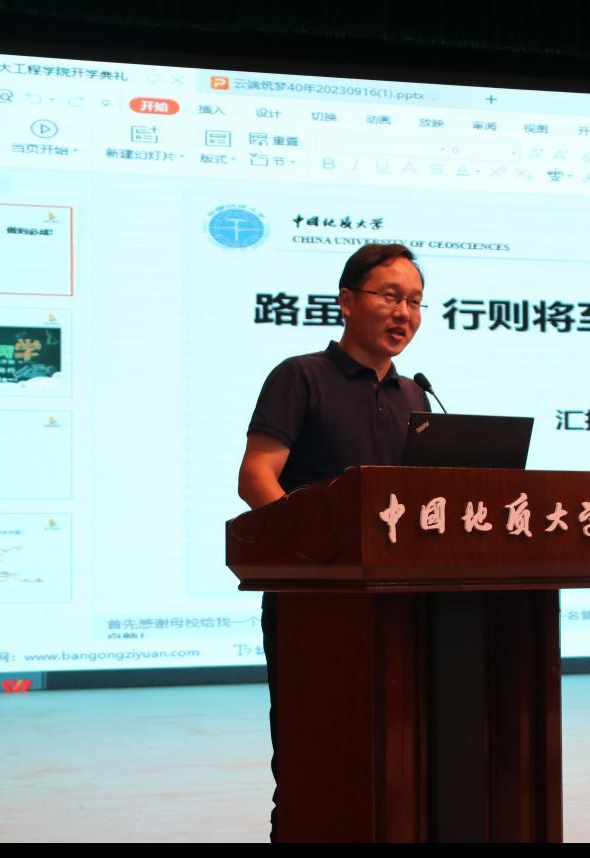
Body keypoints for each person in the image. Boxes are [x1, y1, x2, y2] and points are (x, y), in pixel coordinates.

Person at [237, 243, 429, 840]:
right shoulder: (300, 376)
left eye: (415, 302)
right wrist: (317, 552)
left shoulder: (414, 395)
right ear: (347, 302)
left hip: (402, 604)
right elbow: (256, 477)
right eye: (390, 296)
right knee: (313, 759)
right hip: (315, 604)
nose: (404, 313)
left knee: (400, 759)